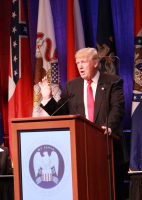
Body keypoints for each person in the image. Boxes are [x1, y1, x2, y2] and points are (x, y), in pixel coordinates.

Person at [40, 47, 126, 200]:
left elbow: (117, 108)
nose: (79, 66)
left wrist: (109, 126)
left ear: (95, 63)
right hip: (81, 149)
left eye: (83, 62)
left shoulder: (112, 82)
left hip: (107, 145)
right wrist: (47, 98)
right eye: (77, 62)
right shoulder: (72, 86)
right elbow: (60, 113)